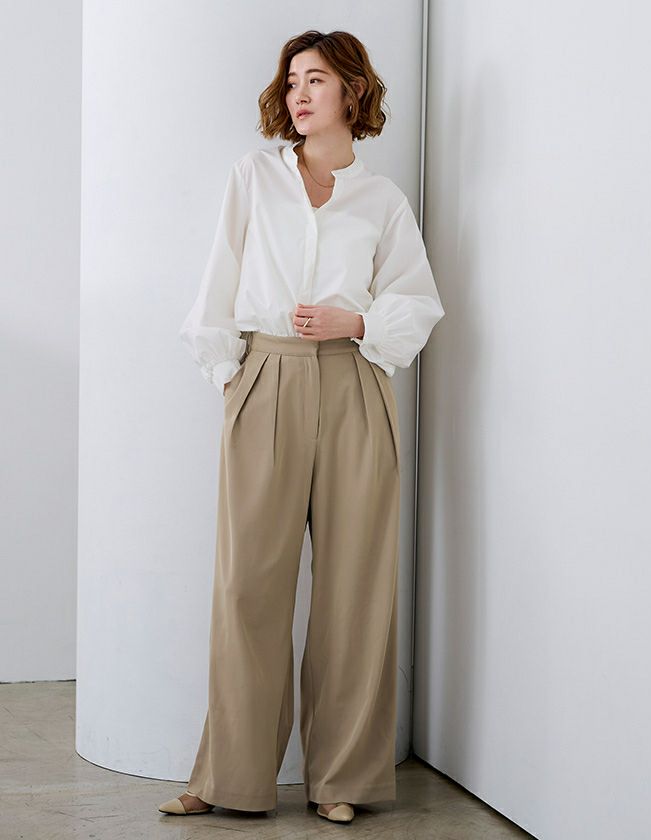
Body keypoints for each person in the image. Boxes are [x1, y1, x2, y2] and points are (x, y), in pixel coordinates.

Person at [158, 29, 445, 825]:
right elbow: (219, 281)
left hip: (355, 384)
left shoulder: (382, 201)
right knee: (248, 584)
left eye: (315, 79)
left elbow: (418, 301)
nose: (300, 94)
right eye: (291, 82)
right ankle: (229, 777)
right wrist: (233, 377)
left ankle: (342, 779)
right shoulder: (254, 177)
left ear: (352, 90)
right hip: (266, 376)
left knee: (355, 587)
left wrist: (359, 321)